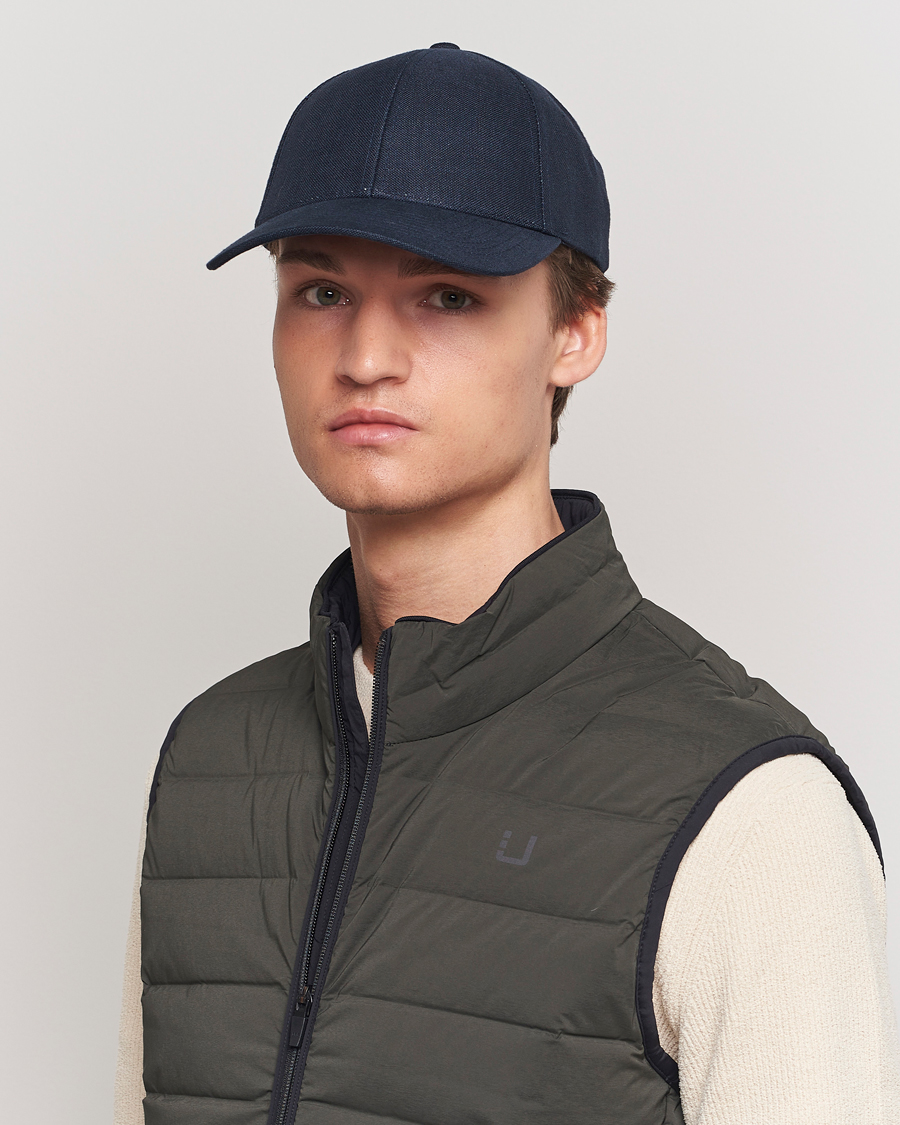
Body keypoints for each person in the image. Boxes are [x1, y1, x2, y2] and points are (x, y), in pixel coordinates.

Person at [115, 44, 900, 1125]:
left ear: (575, 333)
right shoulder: (210, 759)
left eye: (446, 295)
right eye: (322, 290)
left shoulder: (751, 814)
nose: (366, 356)